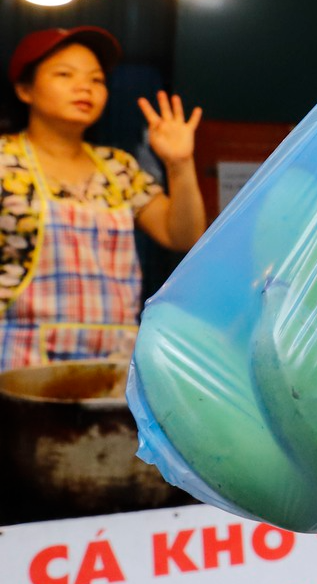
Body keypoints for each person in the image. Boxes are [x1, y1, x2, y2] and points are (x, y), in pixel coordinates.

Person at [0, 27, 207, 370]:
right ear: (25, 90)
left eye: (96, 80)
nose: (85, 87)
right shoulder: (5, 160)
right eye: (65, 75)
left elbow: (181, 236)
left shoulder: (118, 167)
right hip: (17, 360)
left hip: (112, 361)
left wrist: (179, 163)